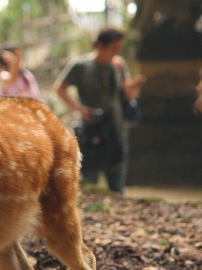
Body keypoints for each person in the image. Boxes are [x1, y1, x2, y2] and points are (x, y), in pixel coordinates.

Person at [54, 27, 146, 194]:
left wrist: (133, 87)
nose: (116, 52)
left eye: (118, 49)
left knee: (117, 186)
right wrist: (80, 109)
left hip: (116, 130)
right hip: (91, 132)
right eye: (113, 48)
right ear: (99, 45)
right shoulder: (81, 65)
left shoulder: (117, 64)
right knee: (90, 185)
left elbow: (123, 94)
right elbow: (60, 88)